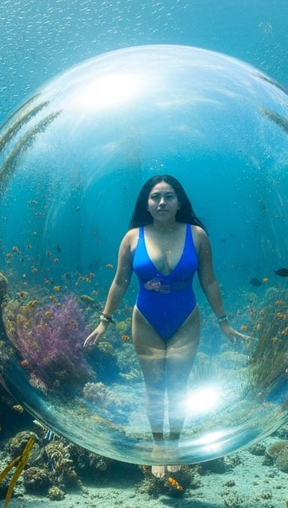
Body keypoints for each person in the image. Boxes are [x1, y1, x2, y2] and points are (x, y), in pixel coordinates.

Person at [84, 174, 247, 477]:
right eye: (155, 197)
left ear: (179, 202)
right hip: (145, 320)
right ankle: (159, 447)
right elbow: (119, 282)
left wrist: (224, 322)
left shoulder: (197, 235)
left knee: (178, 386)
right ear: (146, 203)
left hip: (187, 320)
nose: (162, 202)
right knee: (155, 387)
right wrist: (104, 321)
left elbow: (209, 281)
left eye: (169, 196)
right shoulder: (132, 238)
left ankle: (175, 444)